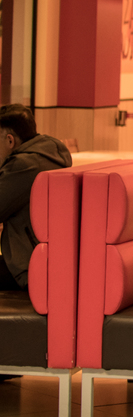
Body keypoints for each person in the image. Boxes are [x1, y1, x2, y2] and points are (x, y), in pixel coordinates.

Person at [0, 105, 72, 291]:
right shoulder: (51, 154)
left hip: (27, 265)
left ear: (10, 140)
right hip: (48, 259)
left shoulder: (23, 166)